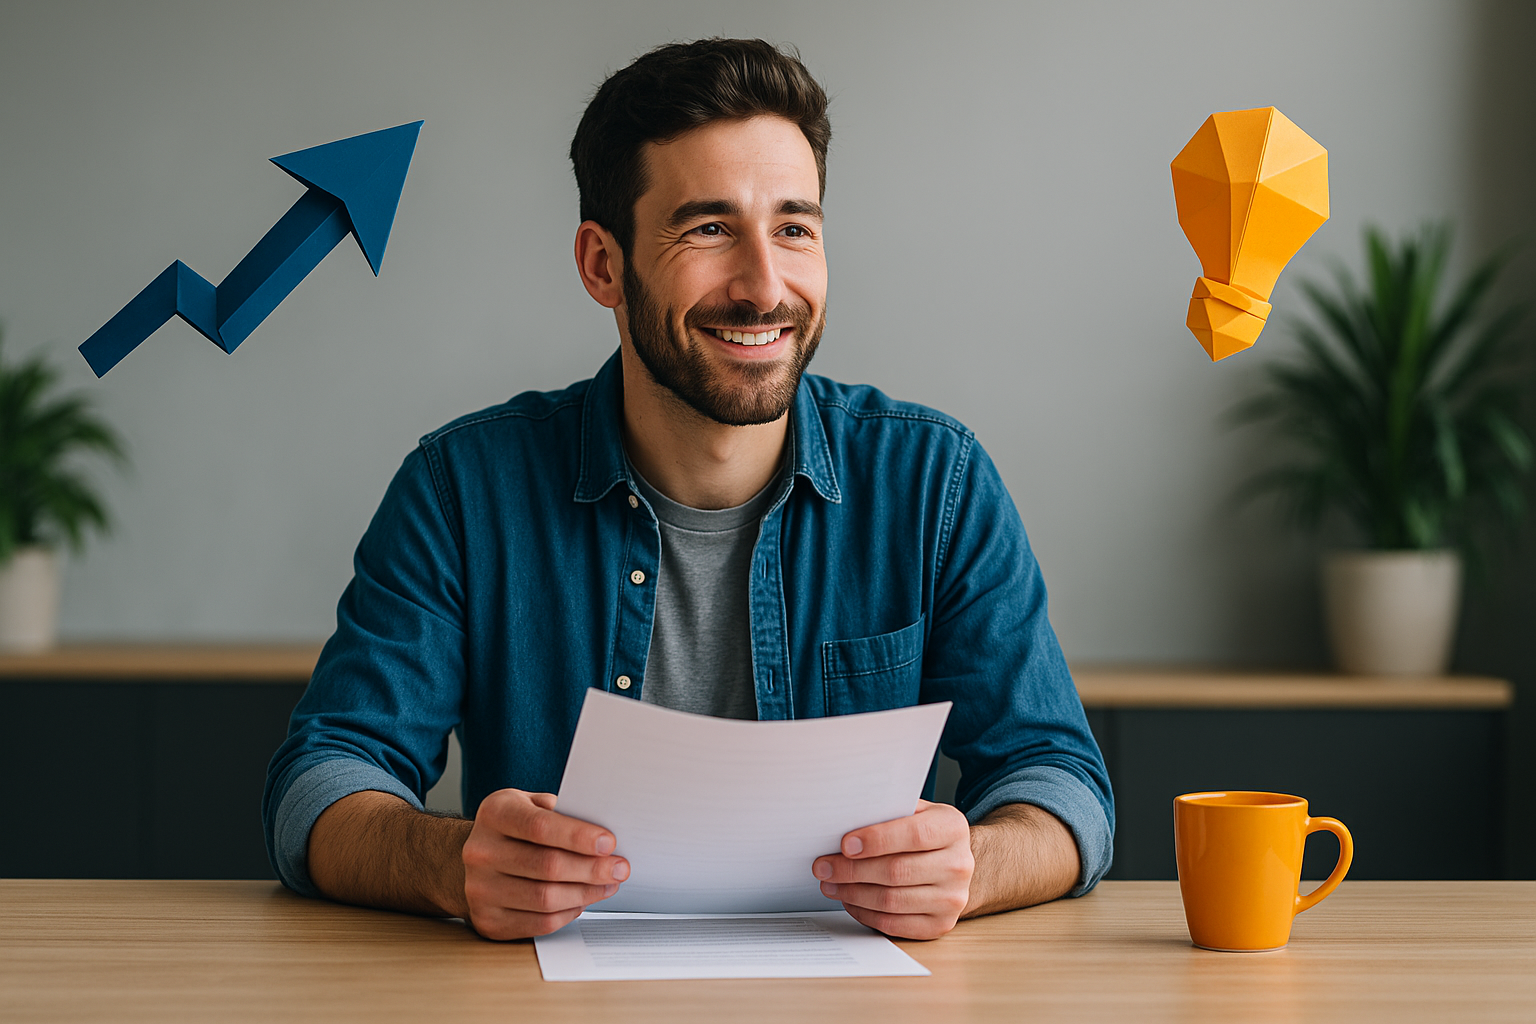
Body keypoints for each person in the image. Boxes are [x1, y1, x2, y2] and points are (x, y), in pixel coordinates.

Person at [263, 38, 1113, 942]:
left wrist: (970, 870)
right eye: (708, 229)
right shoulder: (462, 489)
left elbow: (1061, 785)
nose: (763, 286)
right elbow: (322, 780)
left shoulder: (934, 482)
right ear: (603, 265)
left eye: (794, 228)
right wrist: (449, 863)